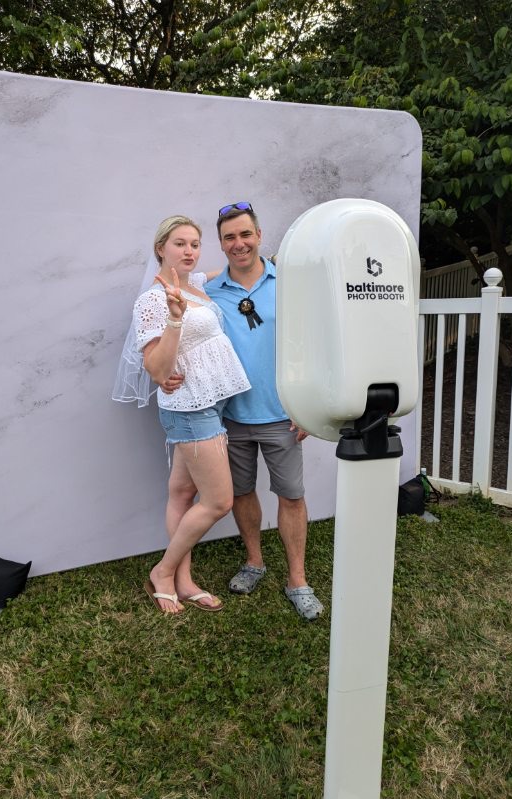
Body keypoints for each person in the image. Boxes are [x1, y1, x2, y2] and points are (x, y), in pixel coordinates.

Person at [166, 202, 323, 620]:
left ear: (259, 236)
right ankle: (254, 561)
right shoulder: (207, 292)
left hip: (281, 415)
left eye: (245, 234)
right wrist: (165, 374)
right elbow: (179, 335)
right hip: (228, 418)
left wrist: (306, 404)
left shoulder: (287, 283)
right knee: (239, 493)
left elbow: (309, 343)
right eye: (229, 238)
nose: (239, 244)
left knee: (291, 495)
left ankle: (297, 579)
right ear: (221, 244)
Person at [112, 215, 250, 614]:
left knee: (182, 493)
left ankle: (184, 582)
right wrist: (174, 317)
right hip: (191, 409)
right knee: (219, 500)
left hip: (209, 401)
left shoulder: (195, 285)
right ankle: (164, 571)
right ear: (160, 248)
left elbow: (229, 267)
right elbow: (156, 369)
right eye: (180, 244)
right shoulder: (154, 300)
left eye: (194, 243)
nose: (189, 251)